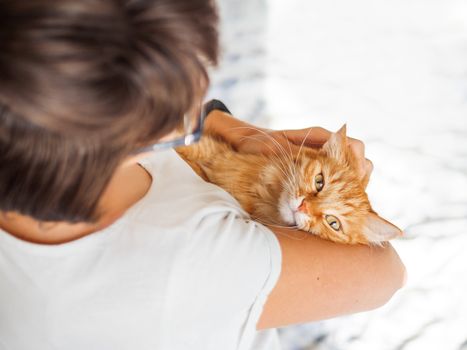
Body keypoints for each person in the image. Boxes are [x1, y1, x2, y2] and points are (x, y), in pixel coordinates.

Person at [0, 1, 406, 349]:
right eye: (187, 110)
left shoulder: (44, 147)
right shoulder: (197, 253)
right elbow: (384, 274)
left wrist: (222, 128)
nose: (201, 107)